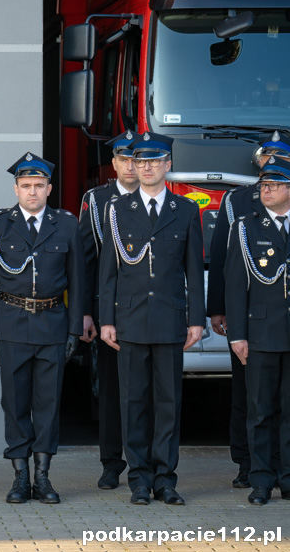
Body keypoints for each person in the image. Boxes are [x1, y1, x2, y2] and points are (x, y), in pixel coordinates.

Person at [98, 132, 205, 506]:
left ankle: (166, 479)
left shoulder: (186, 210)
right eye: (140, 162)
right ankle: (139, 480)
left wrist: (196, 319)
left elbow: (194, 270)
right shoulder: (118, 211)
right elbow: (108, 271)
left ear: (167, 166)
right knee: (134, 403)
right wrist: (106, 318)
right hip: (129, 320)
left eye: (154, 161)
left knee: (168, 403)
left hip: (170, 320)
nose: (145, 168)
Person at [0, 153, 86, 504]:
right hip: (11, 324)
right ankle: (20, 476)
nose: (32, 192)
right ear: (16, 189)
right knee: (14, 403)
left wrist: (73, 331)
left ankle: (43, 476)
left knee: (48, 404)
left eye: (39, 186)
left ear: (49, 188)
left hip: (53, 324)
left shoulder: (67, 225)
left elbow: (78, 282)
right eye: (26, 186)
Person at [207, 130, 290, 489]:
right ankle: (253, 471)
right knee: (252, 402)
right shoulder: (240, 213)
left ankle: (283, 472)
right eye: (264, 178)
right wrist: (225, 317)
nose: (266, 186)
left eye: (275, 180)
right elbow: (228, 268)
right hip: (257, 325)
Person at [78, 130, 140, 490]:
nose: (129, 166)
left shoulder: (157, 200)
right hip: (109, 312)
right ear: (113, 164)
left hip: (147, 310)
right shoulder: (97, 199)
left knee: (145, 390)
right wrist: (86, 312)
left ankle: (143, 464)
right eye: (122, 159)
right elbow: (86, 259)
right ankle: (111, 463)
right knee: (112, 389)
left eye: (135, 159)